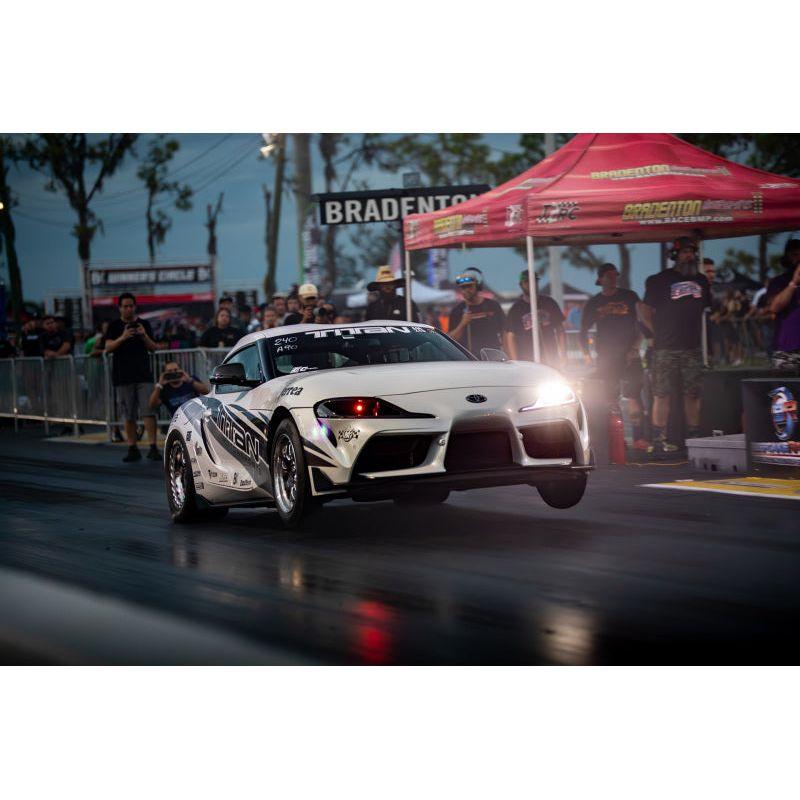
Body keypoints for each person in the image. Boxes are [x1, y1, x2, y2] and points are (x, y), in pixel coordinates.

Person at [640, 237, 712, 453]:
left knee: (693, 393)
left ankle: (694, 438)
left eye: (692, 252)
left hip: (692, 347)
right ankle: (659, 440)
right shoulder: (660, 280)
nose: (689, 256)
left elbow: (705, 308)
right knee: (662, 394)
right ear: (675, 255)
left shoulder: (701, 280)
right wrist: (656, 332)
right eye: (685, 252)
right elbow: (643, 310)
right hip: (665, 348)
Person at [579, 263, 646, 446]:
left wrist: (635, 348)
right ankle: (618, 440)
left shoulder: (629, 296)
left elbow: (641, 323)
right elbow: (583, 330)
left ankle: (639, 438)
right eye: (609, 275)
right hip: (606, 358)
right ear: (600, 279)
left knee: (634, 396)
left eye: (615, 275)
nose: (613, 278)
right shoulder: (594, 303)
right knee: (610, 399)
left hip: (630, 355)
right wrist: (586, 354)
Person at [103, 292, 160, 462]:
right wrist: (123, 337)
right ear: (120, 308)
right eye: (125, 306)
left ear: (135, 307)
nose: (128, 309)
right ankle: (132, 447)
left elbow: (154, 348)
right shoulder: (114, 326)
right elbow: (108, 347)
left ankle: (153, 447)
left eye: (131, 306)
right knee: (128, 414)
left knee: (148, 412)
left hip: (143, 375)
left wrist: (144, 335)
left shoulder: (144, 324)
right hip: (123, 376)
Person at [505, 270, 565, 368]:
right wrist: (515, 361)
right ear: (521, 285)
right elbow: (510, 336)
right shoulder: (516, 309)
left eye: (534, 281)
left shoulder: (550, 303)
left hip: (550, 356)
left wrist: (563, 354)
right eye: (527, 282)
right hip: (526, 359)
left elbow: (560, 329)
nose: (531, 284)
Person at [448, 268, 505, 358]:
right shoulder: (457, 311)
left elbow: (504, 332)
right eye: (463, 287)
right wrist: (462, 324)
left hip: (494, 357)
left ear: (478, 286)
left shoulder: (493, 306)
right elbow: (451, 340)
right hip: (470, 359)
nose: (466, 290)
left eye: (469, 286)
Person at [766, 238, 800, 372]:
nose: (798, 259)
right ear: (787, 257)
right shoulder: (779, 282)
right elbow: (775, 306)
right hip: (787, 350)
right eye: (795, 255)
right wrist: (794, 283)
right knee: (786, 385)